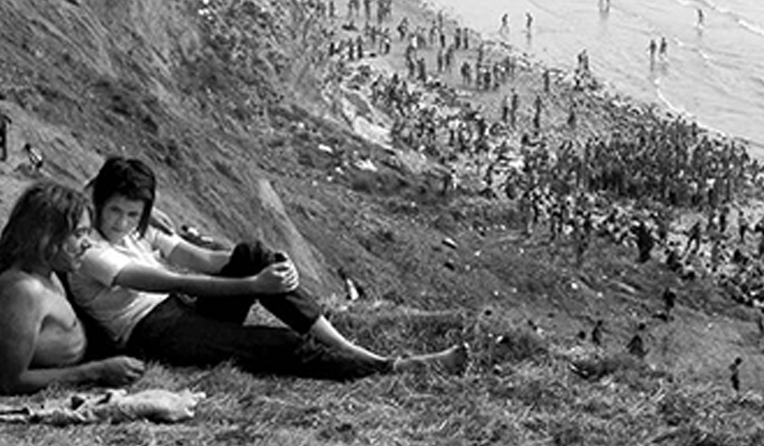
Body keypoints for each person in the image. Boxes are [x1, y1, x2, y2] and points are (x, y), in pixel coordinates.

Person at [67, 156, 467, 381]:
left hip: (178, 312)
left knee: (253, 252)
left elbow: (203, 260)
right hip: (151, 333)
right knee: (278, 345)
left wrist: (271, 266)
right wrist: (251, 285)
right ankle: (394, 368)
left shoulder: (138, 231)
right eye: (114, 210)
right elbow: (171, 279)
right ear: (99, 204)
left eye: (131, 213)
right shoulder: (90, 250)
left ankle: (345, 346)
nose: (120, 222)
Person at [0, 183, 146, 394]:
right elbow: (11, 381)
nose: (88, 244)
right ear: (45, 235)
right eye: (79, 234)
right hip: (67, 369)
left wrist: (150, 216)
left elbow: (96, 187)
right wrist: (96, 371)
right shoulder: (25, 292)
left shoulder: (45, 267)